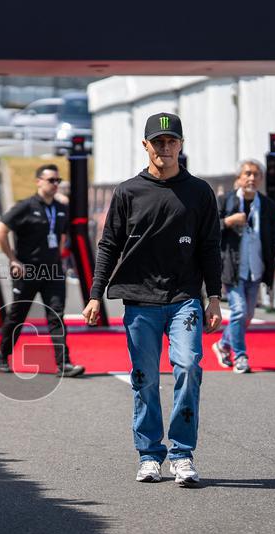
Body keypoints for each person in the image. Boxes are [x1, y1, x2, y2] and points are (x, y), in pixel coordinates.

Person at [82, 112, 222, 486]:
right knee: (144, 378)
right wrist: (96, 295)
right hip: (140, 300)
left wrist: (215, 298)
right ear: (145, 145)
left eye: (171, 140)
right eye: (157, 141)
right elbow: (108, 244)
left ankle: (181, 454)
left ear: (181, 144)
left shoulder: (199, 192)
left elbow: (210, 247)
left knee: (189, 367)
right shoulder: (128, 191)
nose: (165, 147)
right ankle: (148, 454)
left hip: (184, 300)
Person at [0, 164, 85, 377]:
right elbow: (0, 231)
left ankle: (64, 364)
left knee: (56, 315)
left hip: (53, 271)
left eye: (57, 181)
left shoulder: (62, 208)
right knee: (17, 315)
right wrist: (13, 260)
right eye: (51, 180)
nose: (55, 184)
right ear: (38, 181)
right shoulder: (24, 206)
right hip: (27, 270)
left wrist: (58, 259)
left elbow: (62, 236)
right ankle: (3, 353)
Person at [211, 159, 275, 373]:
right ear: (239, 179)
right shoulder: (224, 201)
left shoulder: (268, 206)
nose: (252, 178)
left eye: (256, 174)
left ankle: (222, 345)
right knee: (239, 311)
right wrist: (228, 221)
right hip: (232, 268)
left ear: (261, 179)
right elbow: (207, 231)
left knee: (247, 316)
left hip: (256, 269)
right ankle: (241, 356)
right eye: (247, 174)